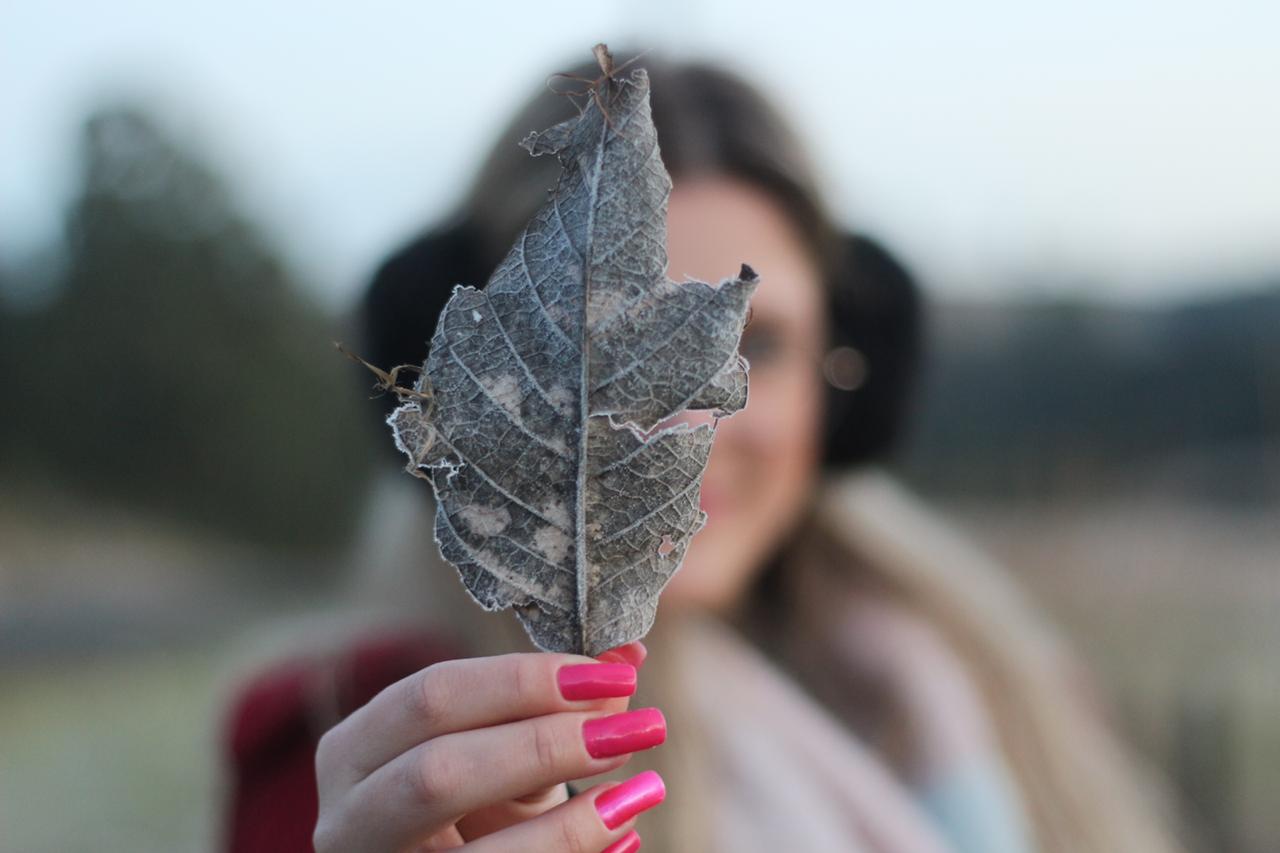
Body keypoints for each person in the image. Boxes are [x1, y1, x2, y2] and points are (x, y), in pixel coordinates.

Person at [221, 47, 1183, 853]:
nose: (685, 421)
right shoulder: (356, 762)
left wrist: (959, 762)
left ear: (845, 384)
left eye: (756, 345)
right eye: (607, 348)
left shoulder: (986, 694)